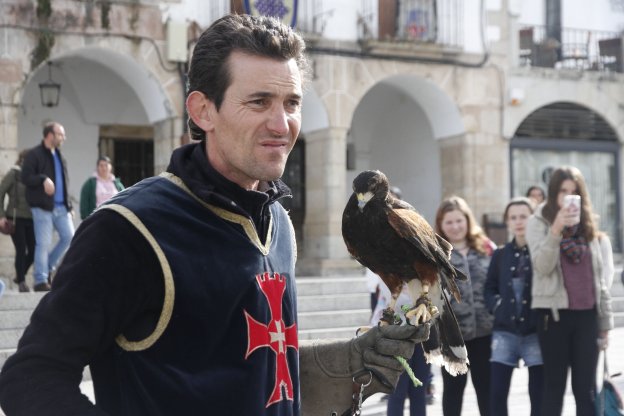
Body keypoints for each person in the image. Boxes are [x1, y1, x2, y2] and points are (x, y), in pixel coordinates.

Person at [0, 14, 428, 416]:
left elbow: (244, 368)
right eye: (259, 102)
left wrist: (340, 364)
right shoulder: (129, 229)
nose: (282, 124)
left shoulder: (278, 225)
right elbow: (31, 378)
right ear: (203, 111)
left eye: (292, 102)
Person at [526, 165, 613, 416]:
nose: (568, 197)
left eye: (574, 192)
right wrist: (556, 230)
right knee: (554, 388)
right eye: (563, 191)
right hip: (553, 316)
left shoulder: (589, 225)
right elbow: (541, 267)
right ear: (554, 193)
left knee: (585, 389)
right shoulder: (538, 222)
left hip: (587, 316)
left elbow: (600, 280)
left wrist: (605, 323)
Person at [434, 196, 495, 416]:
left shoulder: (486, 248)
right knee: (452, 393)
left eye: (459, 220)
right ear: (440, 224)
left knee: (487, 392)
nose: (455, 226)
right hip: (453, 337)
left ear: (468, 220)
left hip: (486, 334)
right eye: (449, 222)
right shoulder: (435, 254)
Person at [484, 197, 543, 416]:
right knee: (497, 392)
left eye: (524, 217)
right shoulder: (500, 254)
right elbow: (489, 287)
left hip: (535, 332)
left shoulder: (541, 251)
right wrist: (497, 306)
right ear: (507, 222)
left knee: (538, 393)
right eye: (513, 217)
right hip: (504, 332)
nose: (519, 222)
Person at [20, 121, 74, 291]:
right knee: (43, 243)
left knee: (69, 237)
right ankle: (40, 281)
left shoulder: (59, 155)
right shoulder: (34, 155)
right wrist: (43, 179)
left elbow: (65, 183)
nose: (63, 138)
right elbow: (25, 177)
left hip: (61, 208)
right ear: (50, 135)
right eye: (60, 134)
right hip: (42, 207)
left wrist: (69, 205)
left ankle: (47, 267)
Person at [372, 281, 430, 416]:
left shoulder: (423, 275)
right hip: (397, 340)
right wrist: (420, 301)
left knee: (419, 392)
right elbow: (393, 304)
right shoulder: (390, 275)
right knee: (397, 392)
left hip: (421, 339)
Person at [0, 150, 36, 292]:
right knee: (21, 249)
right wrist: (1, 215)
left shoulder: (34, 175)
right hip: (15, 218)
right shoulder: (14, 174)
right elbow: (0, 193)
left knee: (33, 250)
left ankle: (19, 274)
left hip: (32, 218)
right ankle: (21, 282)